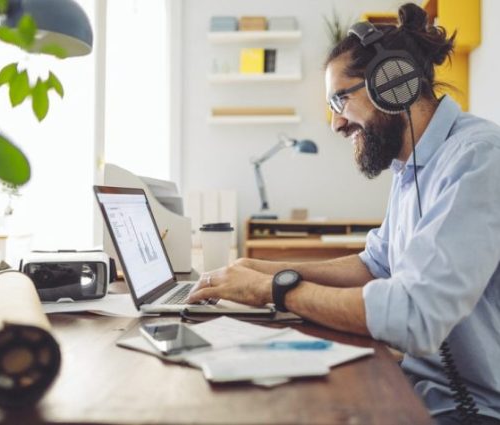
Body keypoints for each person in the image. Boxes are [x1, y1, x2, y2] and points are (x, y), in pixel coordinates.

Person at [188, 3, 500, 424]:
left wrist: (273, 289)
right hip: (418, 387)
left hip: (471, 411)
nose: (335, 124)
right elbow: (375, 266)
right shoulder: (411, 167)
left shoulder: (478, 159)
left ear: (394, 83)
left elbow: (415, 317)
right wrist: (255, 268)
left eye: (340, 99)